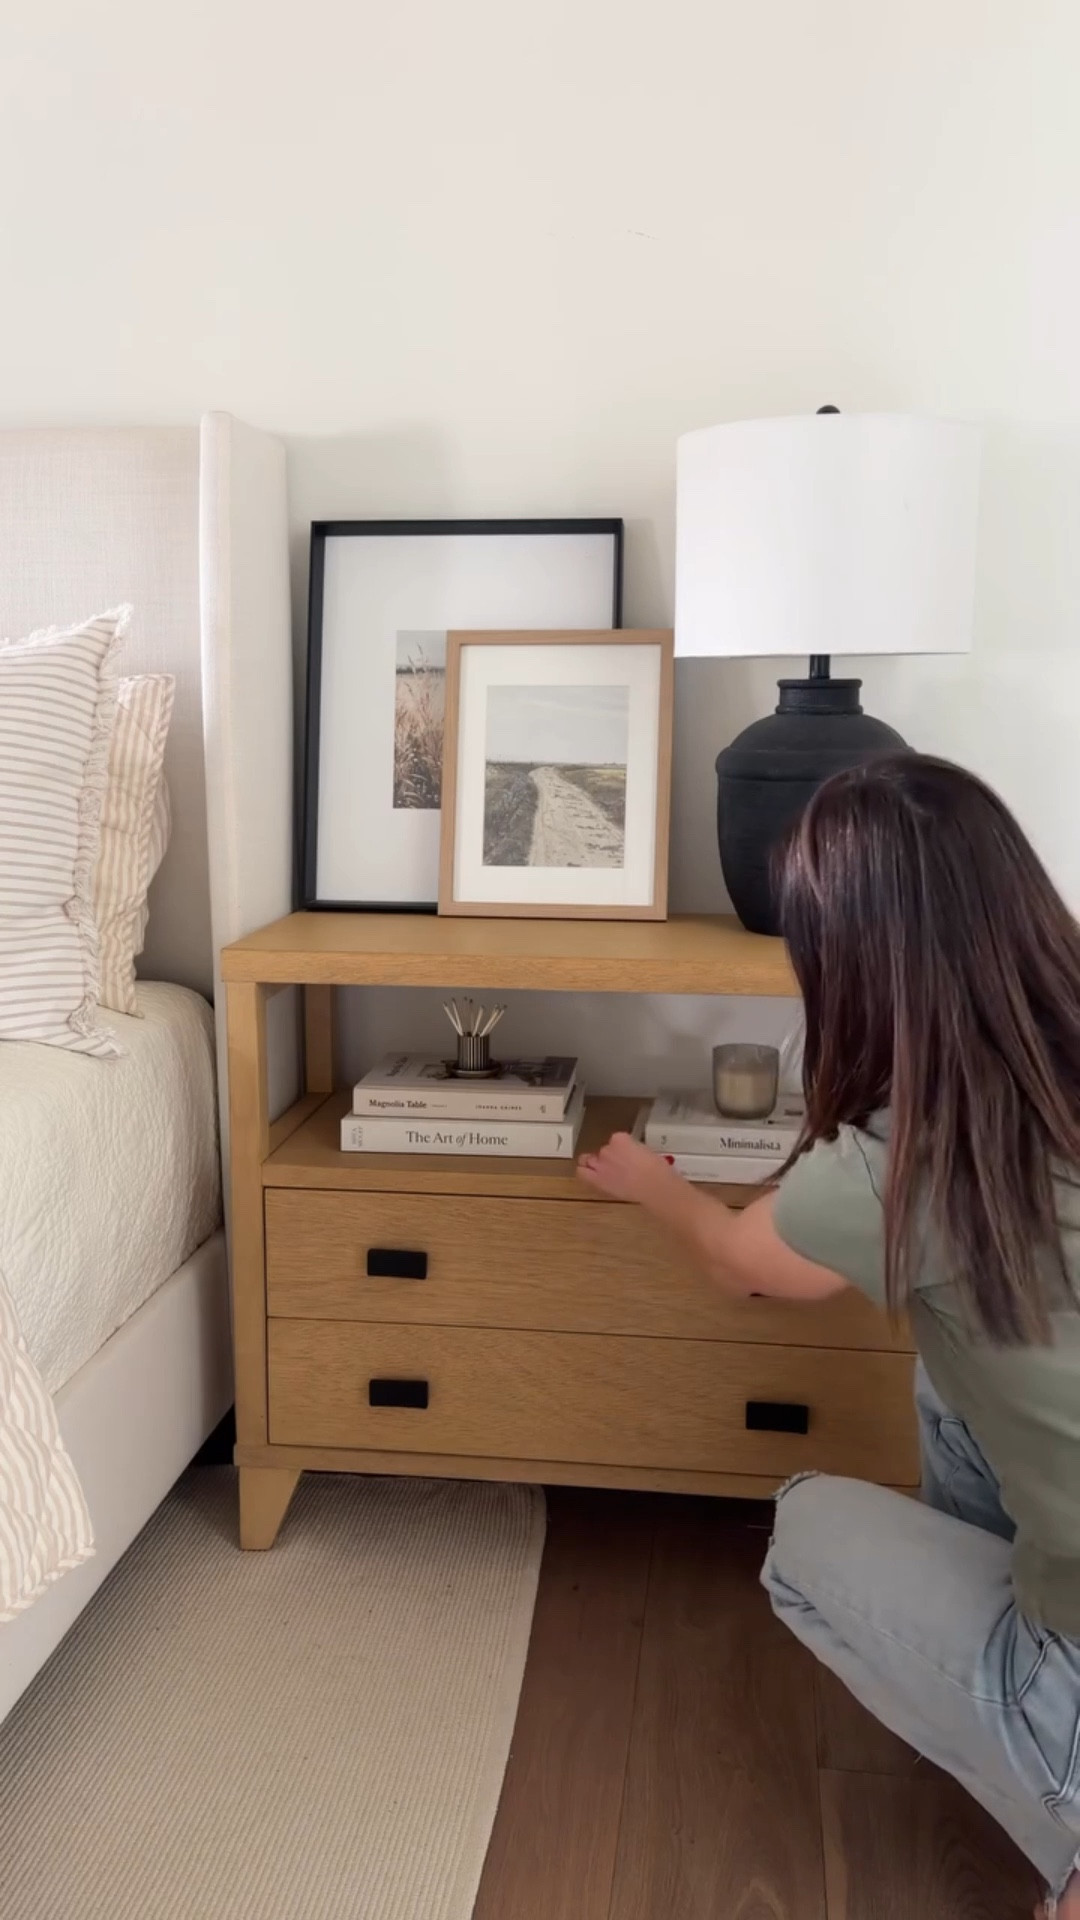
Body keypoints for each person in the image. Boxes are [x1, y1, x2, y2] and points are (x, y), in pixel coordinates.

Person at [578, 752, 1080, 1919]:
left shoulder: (891, 1176)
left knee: (802, 1525)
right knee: (956, 1370)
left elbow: (740, 1267)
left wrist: (656, 1185)